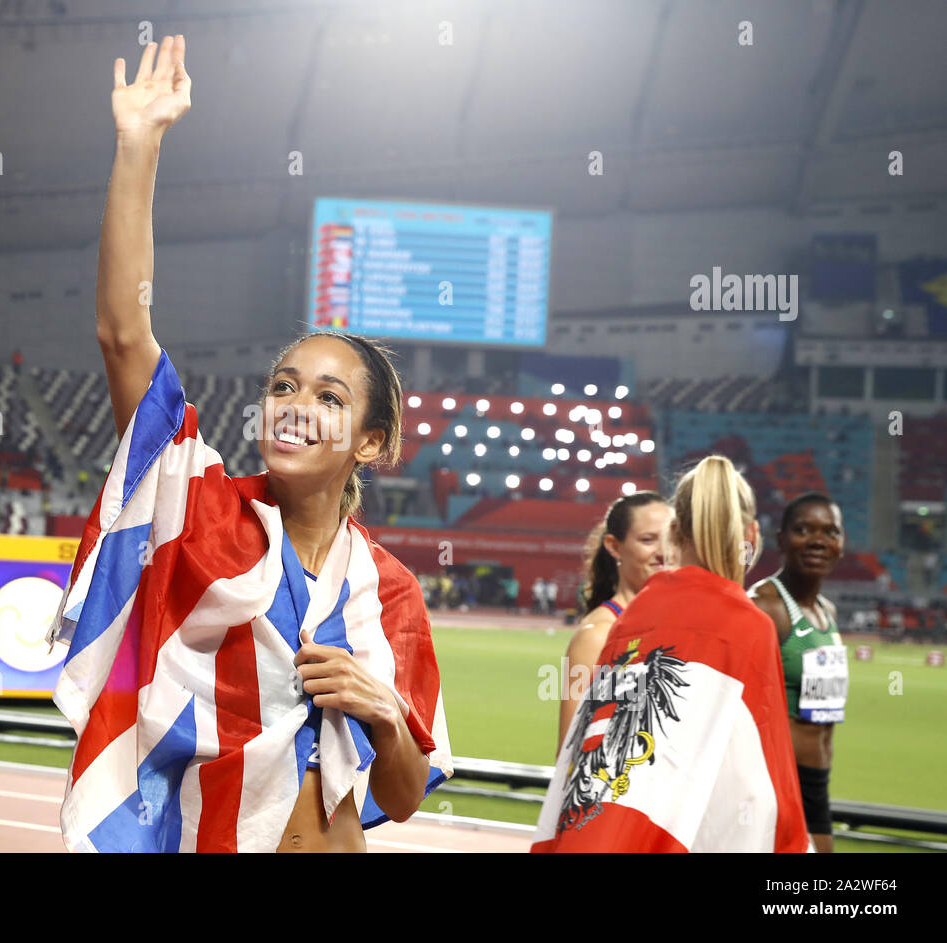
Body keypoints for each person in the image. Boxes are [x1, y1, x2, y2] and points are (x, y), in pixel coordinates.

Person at [45, 35, 451, 855]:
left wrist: (380, 708)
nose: (296, 405)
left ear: (371, 443)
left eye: (330, 397)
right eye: (284, 386)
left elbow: (404, 799)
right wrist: (140, 144)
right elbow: (124, 335)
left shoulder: (391, 591)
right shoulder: (199, 509)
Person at [533, 455, 809, 852]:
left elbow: (582, 759)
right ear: (751, 534)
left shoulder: (630, 620)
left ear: (675, 533)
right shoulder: (749, 626)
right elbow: (764, 784)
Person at [748, 492, 847, 854]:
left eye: (831, 532)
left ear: (842, 544)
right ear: (781, 540)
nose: (818, 541)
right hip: (776, 781)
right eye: (803, 530)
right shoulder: (765, 607)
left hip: (816, 782)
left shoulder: (827, 611)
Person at [557, 491, 670, 750]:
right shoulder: (597, 636)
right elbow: (570, 748)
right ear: (614, 546)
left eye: (671, 539)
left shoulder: (679, 625)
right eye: (648, 540)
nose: (663, 552)